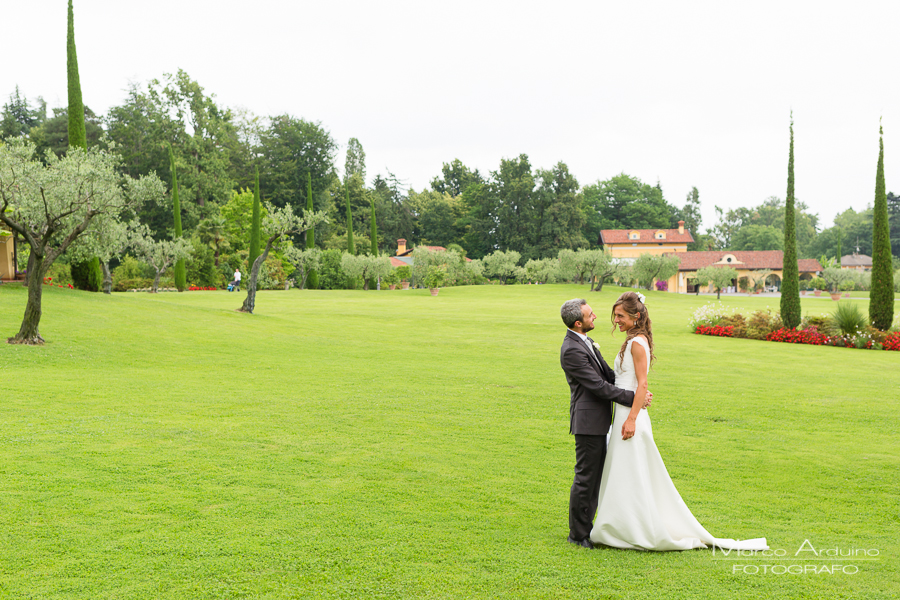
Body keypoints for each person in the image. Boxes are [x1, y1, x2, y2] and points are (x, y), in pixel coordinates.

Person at [589, 291, 768, 551]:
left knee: (632, 471)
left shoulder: (637, 343)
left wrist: (631, 419)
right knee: (624, 471)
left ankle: (634, 529)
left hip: (631, 417)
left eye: (621, 316)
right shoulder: (632, 341)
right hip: (623, 414)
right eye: (615, 315)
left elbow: (643, 385)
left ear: (636, 316)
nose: (616, 320)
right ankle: (619, 525)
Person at [559, 298, 652, 550]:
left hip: (601, 420)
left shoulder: (585, 342)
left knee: (595, 478)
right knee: (586, 478)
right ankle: (578, 535)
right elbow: (598, 386)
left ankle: (588, 528)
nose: (596, 317)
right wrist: (634, 397)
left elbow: (610, 375)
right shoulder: (572, 350)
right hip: (588, 422)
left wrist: (635, 391)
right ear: (579, 323)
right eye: (590, 315)